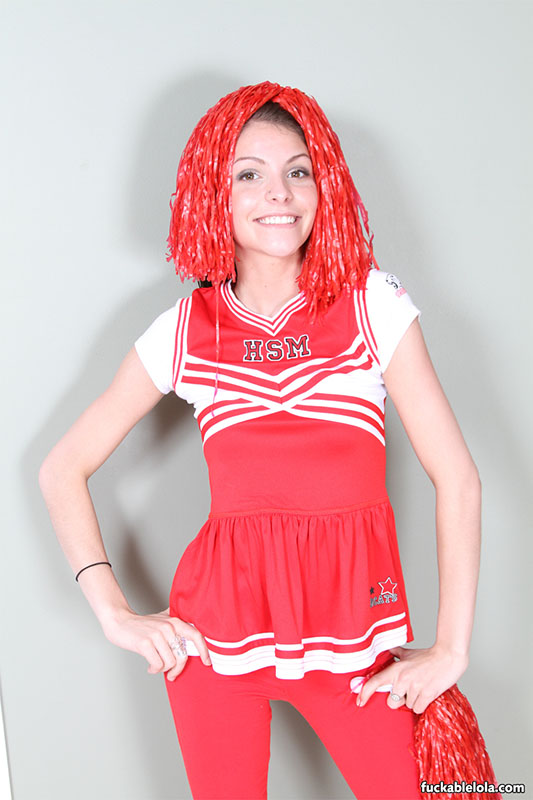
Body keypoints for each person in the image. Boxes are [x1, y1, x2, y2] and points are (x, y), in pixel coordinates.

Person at [39, 82, 481, 800]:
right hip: (214, 643)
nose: (278, 193)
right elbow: (62, 468)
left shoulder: (372, 303)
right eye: (249, 174)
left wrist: (451, 649)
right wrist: (114, 613)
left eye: (298, 171)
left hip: (356, 640)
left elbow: (457, 479)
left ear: (323, 185)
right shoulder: (188, 329)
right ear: (214, 194)